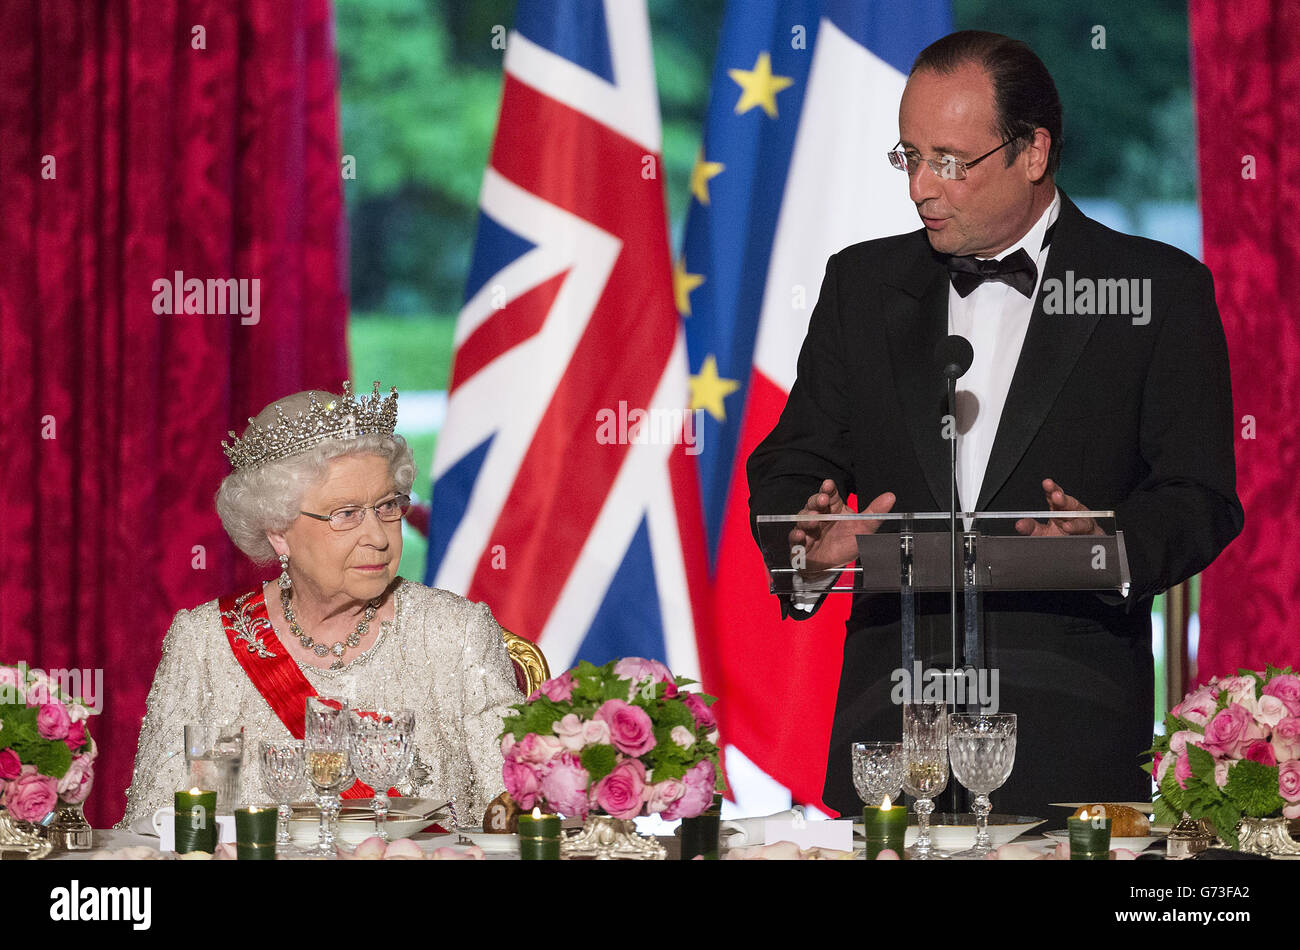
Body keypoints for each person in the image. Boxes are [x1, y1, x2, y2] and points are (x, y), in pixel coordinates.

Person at [747, 31, 1243, 819]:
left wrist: (1103, 547)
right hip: (891, 732)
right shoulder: (861, 284)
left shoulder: (1156, 290)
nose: (919, 187)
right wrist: (807, 543)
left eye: (949, 160)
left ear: (1033, 151)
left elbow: (1200, 495)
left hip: (1068, 734)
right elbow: (790, 462)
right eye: (908, 155)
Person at [119, 381, 519, 829]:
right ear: (278, 531)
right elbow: (161, 827)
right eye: (345, 514)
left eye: (388, 506)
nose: (380, 536)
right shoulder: (207, 643)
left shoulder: (456, 632)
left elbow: (512, 818)